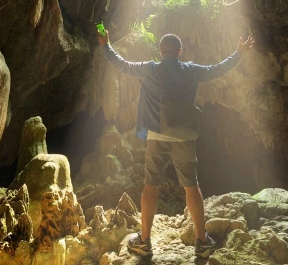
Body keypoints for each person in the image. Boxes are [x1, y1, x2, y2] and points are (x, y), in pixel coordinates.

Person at [97, 29, 255, 258]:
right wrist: (238, 53)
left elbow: (122, 65)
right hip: (185, 136)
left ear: (160, 52)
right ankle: (202, 242)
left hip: (157, 134)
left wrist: (106, 45)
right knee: (192, 187)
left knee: (151, 186)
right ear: (180, 52)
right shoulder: (190, 70)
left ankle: (144, 241)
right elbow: (217, 70)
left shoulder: (151, 68)